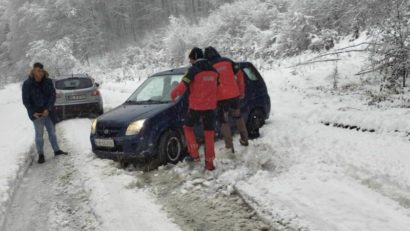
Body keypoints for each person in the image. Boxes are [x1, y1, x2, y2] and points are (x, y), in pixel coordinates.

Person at [171, 48, 219, 171]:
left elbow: (182, 86)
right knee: (209, 134)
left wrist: (173, 94)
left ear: (195, 58)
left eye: (191, 59)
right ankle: (209, 163)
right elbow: (217, 86)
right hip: (210, 107)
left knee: (187, 127)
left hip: (196, 107)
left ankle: (194, 153)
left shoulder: (193, 70)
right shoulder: (214, 70)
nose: (190, 62)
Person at [204, 46, 249, 153]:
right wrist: (241, 91)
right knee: (238, 116)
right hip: (234, 95)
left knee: (224, 121)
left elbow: (208, 84)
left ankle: (229, 146)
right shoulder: (228, 61)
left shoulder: (209, 66)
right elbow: (240, 75)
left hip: (220, 97)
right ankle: (244, 139)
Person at [22, 62, 68, 164]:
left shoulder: (48, 81)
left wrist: (48, 108)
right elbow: (26, 100)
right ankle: (41, 154)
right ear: (33, 71)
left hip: (48, 113)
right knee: (39, 135)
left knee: (52, 133)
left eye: (42, 70)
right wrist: (32, 112)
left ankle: (56, 150)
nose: (41, 73)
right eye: (38, 70)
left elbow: (52, 95)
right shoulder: (27, 84)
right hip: (37, 114)